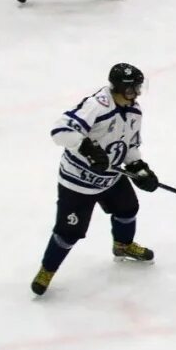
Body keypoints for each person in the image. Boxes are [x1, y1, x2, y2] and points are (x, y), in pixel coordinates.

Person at [31, 63, 159, 295]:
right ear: (119, 88)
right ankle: (47, 270)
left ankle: (123, 246)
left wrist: (139, 168)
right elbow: (60, 131)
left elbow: (130, 145)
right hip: (78, 182)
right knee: (68, 233)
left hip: (110, 177)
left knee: (128, 208)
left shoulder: (134, 112)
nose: (136, 94)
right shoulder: (96, 106)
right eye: (132, 90)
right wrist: (87, 148)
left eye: (138, 89)